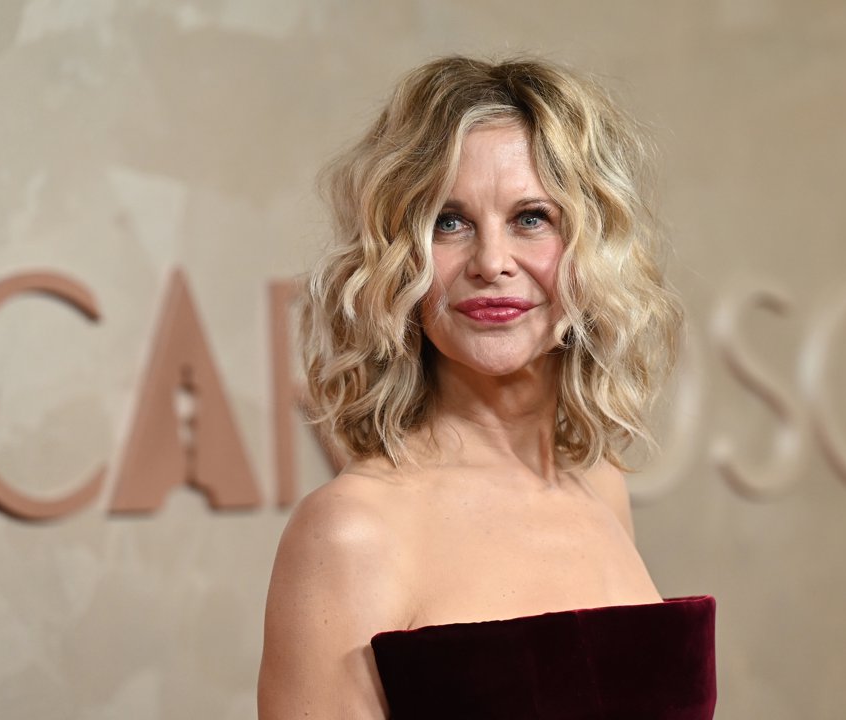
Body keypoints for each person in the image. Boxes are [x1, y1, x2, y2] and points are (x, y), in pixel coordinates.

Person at [258, 55, 715, 719]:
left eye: (532, 217)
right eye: (449, 221)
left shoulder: (598, 485)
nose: (492, 262)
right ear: (399, 256)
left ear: (592, 247)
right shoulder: (350, 533)